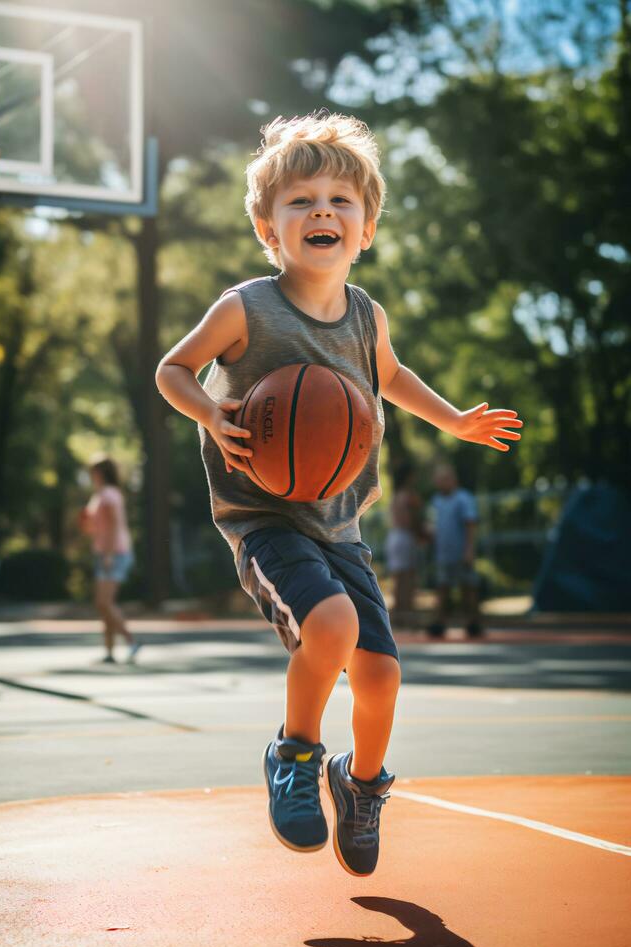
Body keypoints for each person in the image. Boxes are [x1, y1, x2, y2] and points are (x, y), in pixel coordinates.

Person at [155, 111, 523, 876]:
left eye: (339, 200)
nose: (321, 210)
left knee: (382, 675)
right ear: (268, 228)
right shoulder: (245, 308)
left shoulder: (366, 316)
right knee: (330, 625)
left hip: (340, 524)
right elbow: (172, 370)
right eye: (300, 200)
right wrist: (210, 414)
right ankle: (294, 752)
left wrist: (453, 418)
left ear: (367, 229)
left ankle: (359, 787)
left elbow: (389, 377)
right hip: (264, 519)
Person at [79, 456, 141, 665]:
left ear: (100, 473)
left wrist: (108, 554)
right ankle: (109, 651)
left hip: (114, 552)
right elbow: (93, 527)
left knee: (104, 602)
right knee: (104, 605)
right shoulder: (99, 495)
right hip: (104, 552)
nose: (91, 475)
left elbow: (114, 526)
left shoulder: (109, 495)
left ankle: (131, 641)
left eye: (93, 472)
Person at [426, 462, 483, 638]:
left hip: (461, 552)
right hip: (443, 553)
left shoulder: (463, 498)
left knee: (468, 587)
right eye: (439, 479)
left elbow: (470, 524)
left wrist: (469, 549)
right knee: (443, 588)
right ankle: (440, 622)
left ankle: (473, 622)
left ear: (453, 479)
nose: (442, 482)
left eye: (445, 479)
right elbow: (432, 525)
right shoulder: (435, 501)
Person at [385, 461, 425, 627]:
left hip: (394, 536)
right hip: (404, 536)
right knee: (407, 577)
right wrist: (422, 534)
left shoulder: (396, 495)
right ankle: (406, 614)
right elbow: (411, 519)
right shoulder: (408, 496)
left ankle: (398, 615)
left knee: (399, 577)